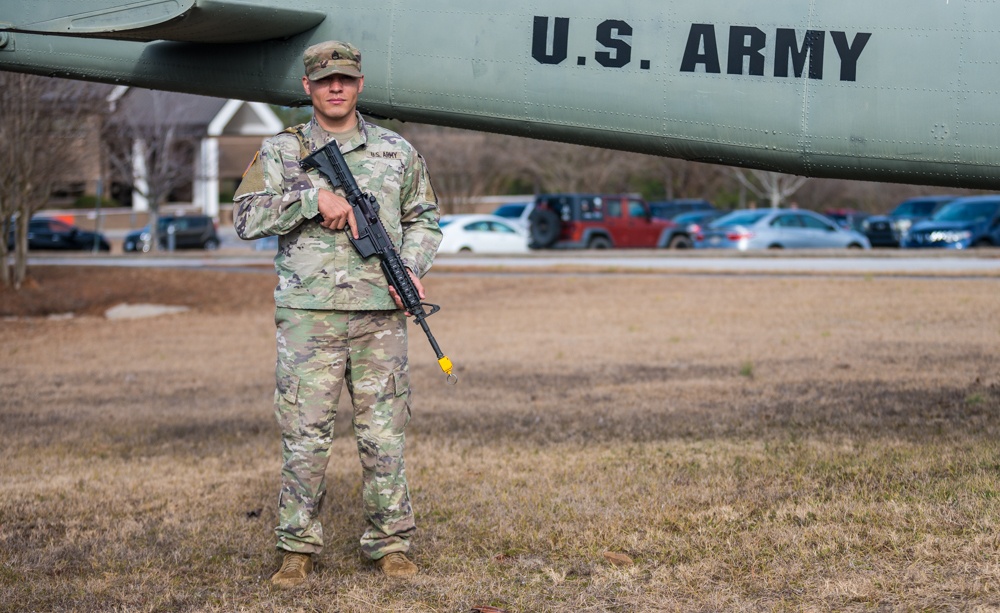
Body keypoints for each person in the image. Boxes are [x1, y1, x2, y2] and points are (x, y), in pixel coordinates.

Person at [232, 40, 442, 587]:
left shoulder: (398, 151)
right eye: (325, 79)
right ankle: (297, 549)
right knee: (304, 435)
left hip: (379, 315)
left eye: (345, 78)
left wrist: (412, 268)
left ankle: (391, 544)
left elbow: (425, 220)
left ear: (359, 84)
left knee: (384, 434)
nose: (335, 87)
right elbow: (244, 217)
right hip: (309, 317)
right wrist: (311, 201)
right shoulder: (282, 151)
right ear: (307, 87)